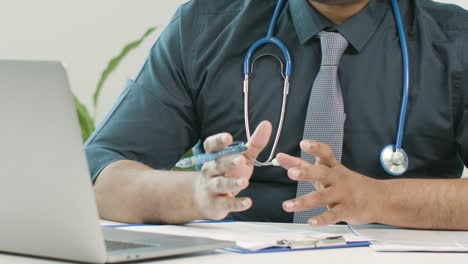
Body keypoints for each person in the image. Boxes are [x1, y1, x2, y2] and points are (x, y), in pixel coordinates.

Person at [85, 0, 468, 229]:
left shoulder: (455, 40)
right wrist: (197, 193)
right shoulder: (205, 27)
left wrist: (377, 198)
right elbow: (97, 177)